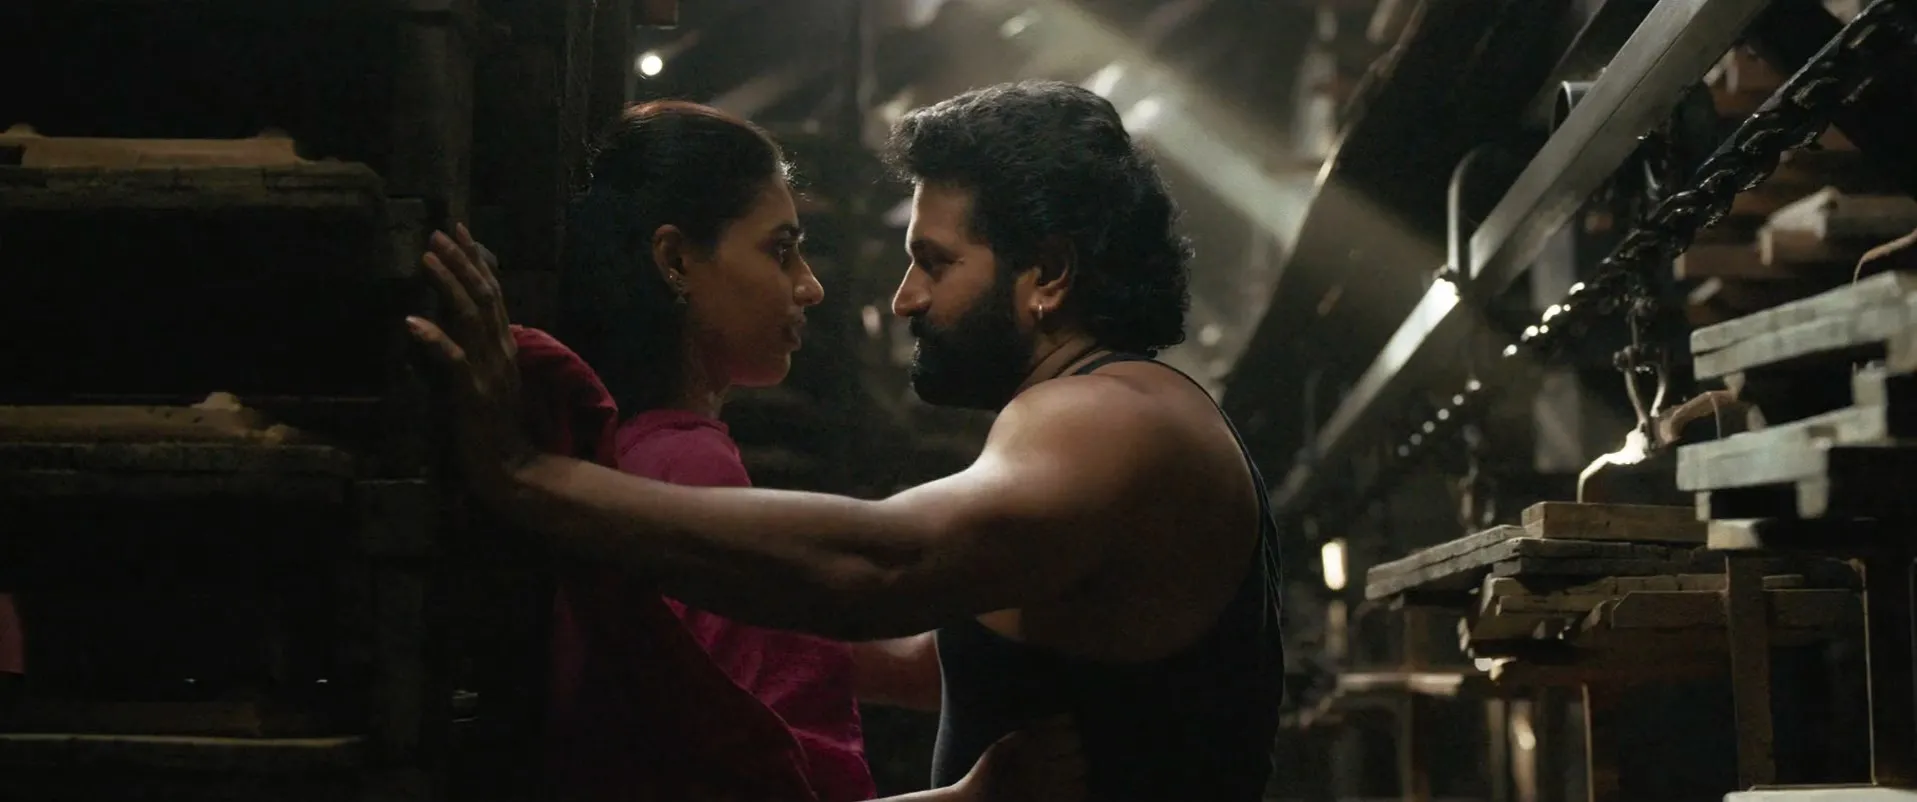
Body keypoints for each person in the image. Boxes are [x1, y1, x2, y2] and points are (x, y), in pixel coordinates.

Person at [410, 80, 1283, 801]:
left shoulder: (1110, 416)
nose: (904, 299)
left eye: (935, 262)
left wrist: (526, 476)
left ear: (1047, 275)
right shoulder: (1111, 411)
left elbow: (886, 567)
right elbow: (932, 656)